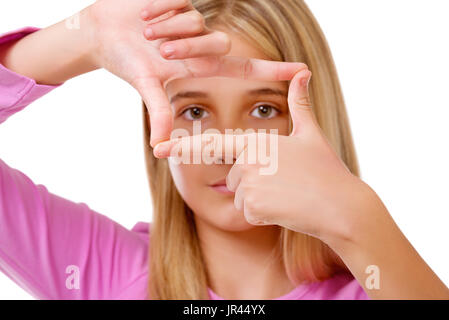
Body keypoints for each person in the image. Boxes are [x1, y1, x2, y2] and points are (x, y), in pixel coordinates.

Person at [0, 0, 448, 300]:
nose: (226, 149)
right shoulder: (104, 271)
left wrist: (361, 223)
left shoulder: (382, 285)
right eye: (195, 112)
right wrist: (84, 37)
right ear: (157, 128)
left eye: (264, 109)